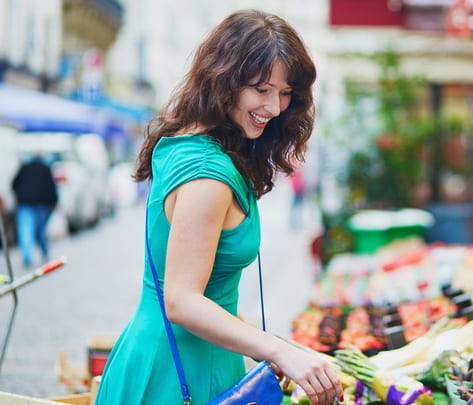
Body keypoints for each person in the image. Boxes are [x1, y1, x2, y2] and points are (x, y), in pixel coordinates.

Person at [96, 10, 343, 405]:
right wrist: (277, 351)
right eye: (261, 89)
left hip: (191, 357)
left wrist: (273, 347)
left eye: (284, 93)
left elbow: (214, 295)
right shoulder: (208, 174)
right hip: (177, 371)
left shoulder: (190, 144)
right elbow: (181, 299)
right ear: (224, 80)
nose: (276, 107)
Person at [12, 153, 58, 267]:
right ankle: (44, 250)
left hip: (25, 203)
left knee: (25, 229)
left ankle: (27, 256)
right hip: (40, 204)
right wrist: (54, 202)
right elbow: (51, 187)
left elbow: (14, 184)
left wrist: (19, 195)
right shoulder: (45, 168)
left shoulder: (24, 168)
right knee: (40, 230)